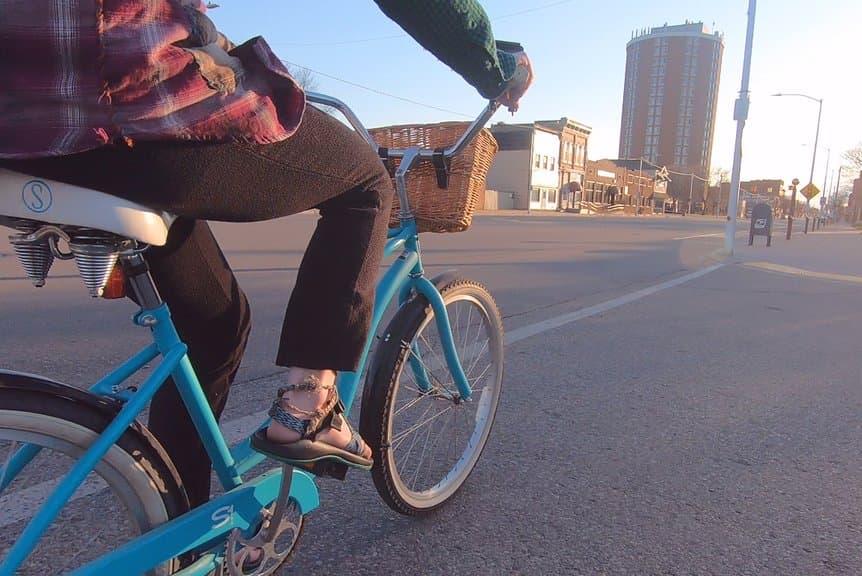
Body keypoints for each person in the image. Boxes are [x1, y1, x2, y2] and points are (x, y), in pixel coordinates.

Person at [0, 0, 532, 509]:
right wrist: (492, 64)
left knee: (212, 329)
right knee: (368, 185)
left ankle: (184, 529)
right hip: (129, 110)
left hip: (21, 132)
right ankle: (309, 404)